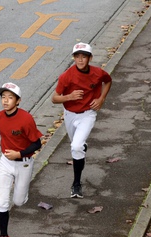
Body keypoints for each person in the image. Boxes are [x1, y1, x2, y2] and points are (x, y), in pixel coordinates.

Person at [0, 82, 43, 237]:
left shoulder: (26, 119)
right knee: (2, 201)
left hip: (23, 163)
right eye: (3, 97)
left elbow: (37, 143)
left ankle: (22, 193)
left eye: (10, 98)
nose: (6, 101)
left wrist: (19, 154)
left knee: (18, 201)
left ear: (18, 101)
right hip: (5, 163)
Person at [51, 42, 112, 198]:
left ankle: (76, 184)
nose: (80, 60)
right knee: (76, 146)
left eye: (83, 57)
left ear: (89, 58)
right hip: (70, 114)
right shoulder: (66, 76)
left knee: (76, 147)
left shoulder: (97, 73)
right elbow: (55, 98)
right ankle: (81, 146)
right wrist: (69, 97)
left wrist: (101, 98)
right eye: (77, 56)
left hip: (87, 114)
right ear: (73, 58)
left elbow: (108, 80)